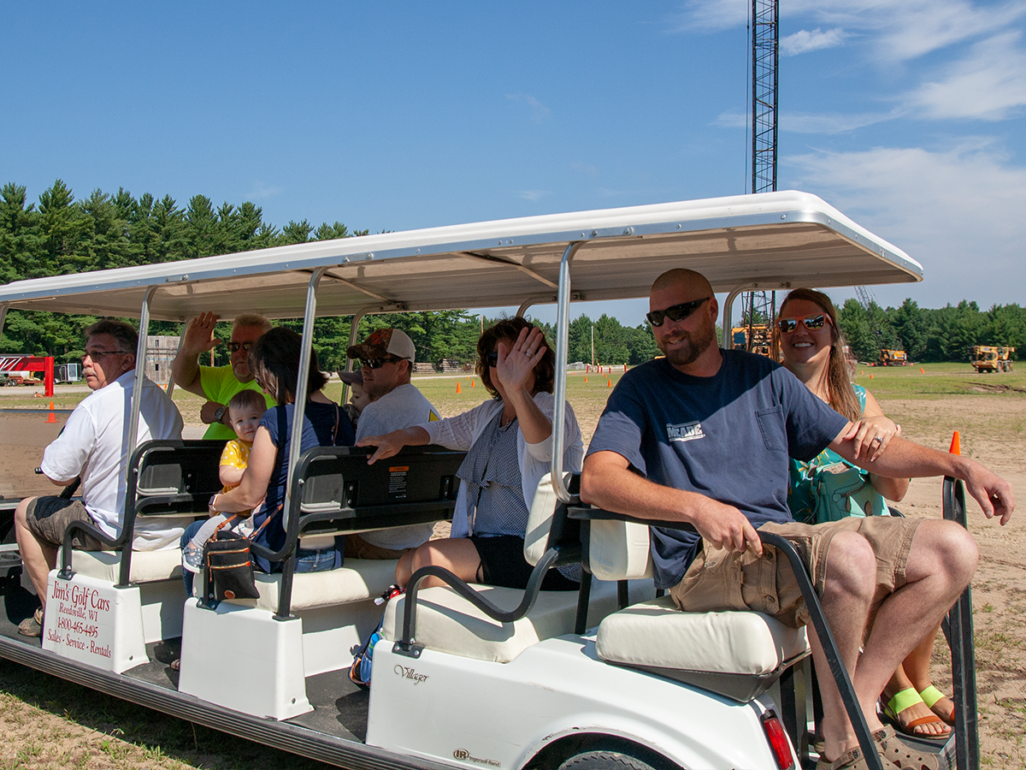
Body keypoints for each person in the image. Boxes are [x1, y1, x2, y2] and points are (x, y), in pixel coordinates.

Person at [580, 269, 1013, 770]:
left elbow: (857, 446)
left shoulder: (764, 377)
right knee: (846, 555)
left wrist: (958, 465)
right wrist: (695, 507)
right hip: (705, 561)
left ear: (712, 310)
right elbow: (597, 479)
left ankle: (855, 708)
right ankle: (845, 738)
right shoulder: (641, 387)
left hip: (779, 542)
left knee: (952, 550)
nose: (668, 327)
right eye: (656, 318)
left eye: (680, 312)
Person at [777, 288, 950, 740]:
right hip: (813, 532)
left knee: (927, 553)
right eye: (788, 324)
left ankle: (920, 680)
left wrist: (885, 432)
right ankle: (895, 687)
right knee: (860, 560)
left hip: (867, 516)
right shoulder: (770, 395)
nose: (800, 331)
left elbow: (896, 489)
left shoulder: (856, 398)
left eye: (813, 322)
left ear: (832, 331)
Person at [359, 318, 584, 591]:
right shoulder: (489, 414)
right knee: (406, 566)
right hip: (494, 545)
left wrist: (517, 390)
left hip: (546, 553)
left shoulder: (554, 409)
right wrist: (399, 438)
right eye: (494, 359)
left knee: (429, 561)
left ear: (537, 361)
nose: (503, 368)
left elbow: (544, 446)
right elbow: (439, 430)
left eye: (513, 358)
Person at [14, 320, 184, 637]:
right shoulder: (166, 404)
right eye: (86, 355)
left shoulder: (94, 406)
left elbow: (58, 475)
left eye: (97, 354)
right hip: (168, 528)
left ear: (127, 360)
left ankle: (52, 611)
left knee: (25, 512)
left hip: (115, 529)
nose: (87, 362)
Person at [203, 327, 355, 575]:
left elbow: (249, 496)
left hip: (276, 551)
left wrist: (216, 502)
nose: (264, 391)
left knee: (193, 534)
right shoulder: (340, 418)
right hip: (330, 552)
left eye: (262, 381)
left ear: (275, 374)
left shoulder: (277, 418)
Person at [343, 328, 440, 560]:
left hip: (376, 541)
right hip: (419, 539)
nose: (365, 369)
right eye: (363, 361)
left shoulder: (375, 413)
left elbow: (357, 489)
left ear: (402, 366)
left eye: (375, 362)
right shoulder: (431, 411)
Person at [180, 389, 268, 592]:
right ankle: (195, 546)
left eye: (254, 418)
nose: (247, 425)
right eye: (240, 421)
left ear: (265, 418)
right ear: (232, 424)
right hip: (235, 506)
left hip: (256, 509)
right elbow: (225, 475)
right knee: (221, 523)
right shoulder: (234, 447)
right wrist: (249, 473)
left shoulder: (267, 444)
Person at [171, 312, 274, 440]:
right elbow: (182, 379)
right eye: (234, 346)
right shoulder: (227, 375)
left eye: (248, 347)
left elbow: (265, 431)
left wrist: (220, 413)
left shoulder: (273, 385)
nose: (239, 353)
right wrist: (189, 351)